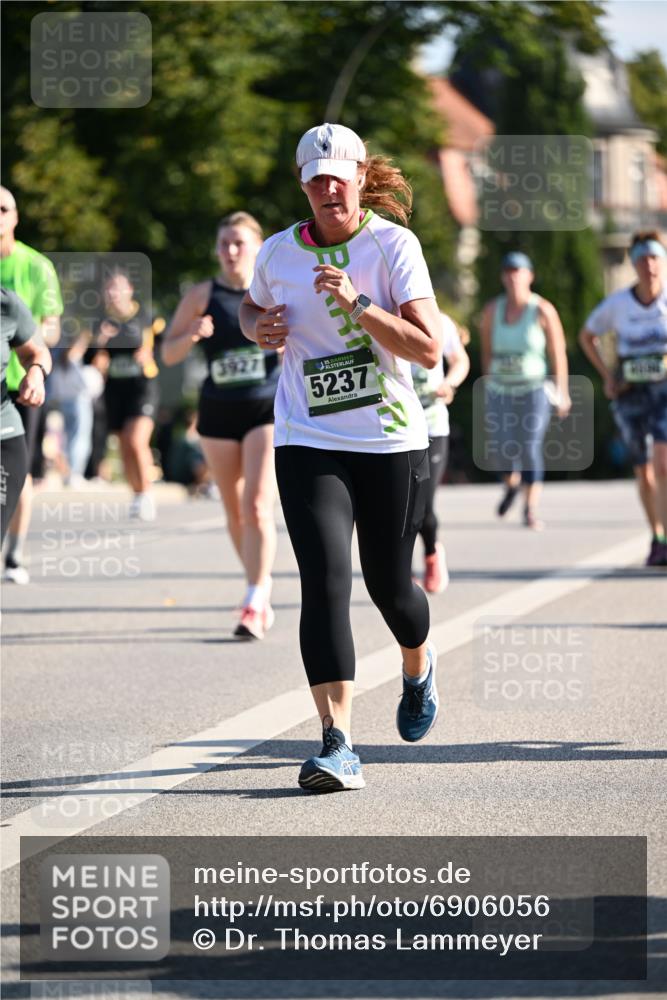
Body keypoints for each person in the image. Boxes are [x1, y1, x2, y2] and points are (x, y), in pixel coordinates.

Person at [239, 122, 443, 793]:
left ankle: (417, 666)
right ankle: (336, 744)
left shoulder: (392, 246)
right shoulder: (277, 253)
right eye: (315, 177)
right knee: (324, 583)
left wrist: (360, 305)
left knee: (390, 589)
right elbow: (251, 305)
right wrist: (256, 326)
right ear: (302, 183)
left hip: (389, 442)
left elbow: (425, 349)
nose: (328, 186)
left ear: (359, 177)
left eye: (338, 175)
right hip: (308, 439)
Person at [162, 212, 280, 638]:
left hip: (265, 406)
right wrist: (190, 334)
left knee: (256, 503)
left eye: (239, 243)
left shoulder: (271, 289)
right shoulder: (201, 294)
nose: (231, 251)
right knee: (233, 509)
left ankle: (255, 597)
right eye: (224, 243)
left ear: (258, 248)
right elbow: (168, 354)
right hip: (217, 411)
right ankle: (256, 585)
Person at [579, 231, 667, 567]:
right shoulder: (618, 304)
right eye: (643, 259)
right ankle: (657, 535)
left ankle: (666, 539)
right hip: (631, 394)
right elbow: (587, 335)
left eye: (655, 258)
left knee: (662, 462)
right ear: (634, 263)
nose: (650, 265)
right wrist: (607, 375)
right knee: (643, 470)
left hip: (663, 392)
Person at [479, 252, 571, 530]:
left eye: (518, 271)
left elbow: (558, 353)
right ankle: (511, 484)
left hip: (534, 388)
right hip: (500, 388)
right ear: (502, 277)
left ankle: (530, 509)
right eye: (508, 271)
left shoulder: (542, 310)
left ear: (529, 276)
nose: (513, 276)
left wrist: (562, 391)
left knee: (529, 445)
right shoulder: (492, 310)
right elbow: (486, 352)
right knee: (503, 448)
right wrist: (487, 386)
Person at [0, 185, 63, 583]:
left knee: (15, 473)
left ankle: (16, 552)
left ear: (15, 217)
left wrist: (33, 364)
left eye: (2, 208)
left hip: (20, 387)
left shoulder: (34, 266)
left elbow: (49, 330)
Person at [90, 270, 159, 520]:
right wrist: (100, 343)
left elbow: (165, 340)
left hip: (142, 388)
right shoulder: (101, 322)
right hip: (115, 389)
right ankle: (138, 494)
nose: (113, 294)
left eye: (117, 288)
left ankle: (148, 494)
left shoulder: (146, 315)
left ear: (130, 290)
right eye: (108, 289)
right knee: (124, 446)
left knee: (136, 440)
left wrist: (150, 353)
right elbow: (92, 358)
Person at [412, 317, 470, 592]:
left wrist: (449, 383)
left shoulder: (439, 320)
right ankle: (401, 569)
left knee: (423, 502)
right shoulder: (380, 312)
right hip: (393, 428)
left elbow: (460, 360)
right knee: (395, 504)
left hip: (432, 426)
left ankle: (432, 553)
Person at [1, 288, 52, 542]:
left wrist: (35, 374)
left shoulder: (6, 303)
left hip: (4, 437)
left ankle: (14, 555)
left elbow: (37, 352)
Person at [47, 332, 104, 486]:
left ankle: (69, 473)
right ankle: (74, 473)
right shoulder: (74, 361)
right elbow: (86, 384)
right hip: (79, 402)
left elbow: (54, 385)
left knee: (68, 439)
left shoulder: (61, 361)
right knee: (79, 439)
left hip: (63, 402)